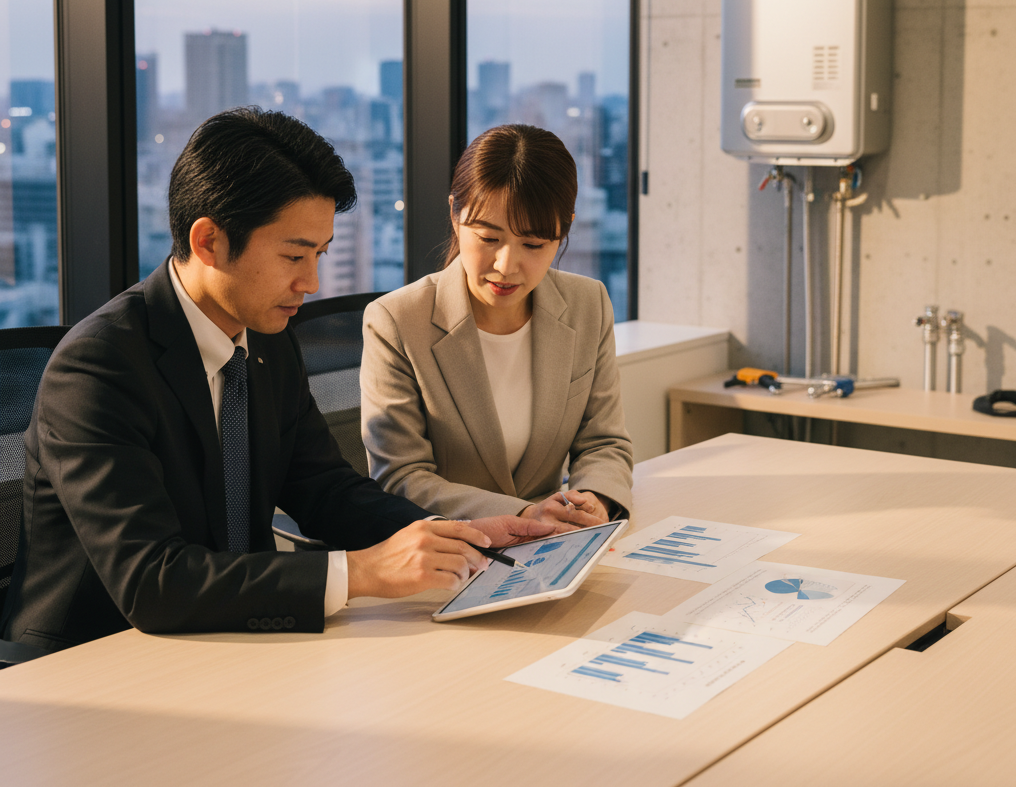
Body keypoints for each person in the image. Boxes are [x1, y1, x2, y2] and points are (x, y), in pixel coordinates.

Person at [1, 109, 556, 655]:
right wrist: (358, 573)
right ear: (208, 241)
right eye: (294, 254)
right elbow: (152, 581)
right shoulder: (100, 366)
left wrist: (455, 535)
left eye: (320, 253)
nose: (311, 282)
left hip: (237, 636)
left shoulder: (264, 336)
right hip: (93, 661)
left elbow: (324, 489)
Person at [361, 123, 633, 526]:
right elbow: (400, 476)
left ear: (565, 230)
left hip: (554, 543)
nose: (506, 266)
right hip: (453, 550)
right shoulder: (398, 321)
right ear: (455, 214)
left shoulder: (587, 304)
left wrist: (594, 499)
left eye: (534, 245)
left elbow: (604, 441)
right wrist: (522, 514)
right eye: (489, 238)